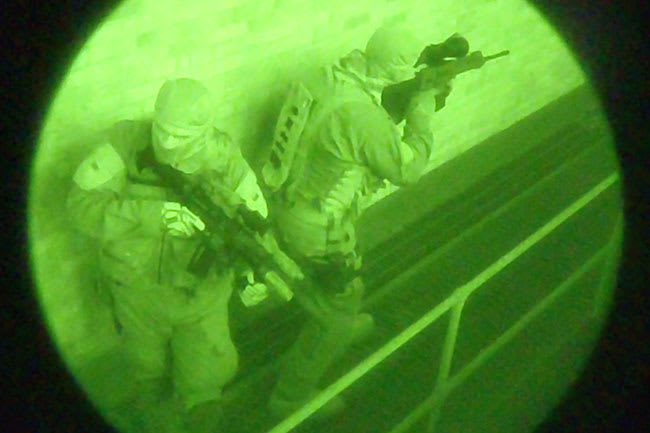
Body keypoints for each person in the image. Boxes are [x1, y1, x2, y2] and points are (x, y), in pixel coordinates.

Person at [262, 23, 481, 420]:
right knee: (342, 300)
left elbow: (352, 131)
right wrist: (421, 112)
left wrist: (405, 96)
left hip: (285, 199)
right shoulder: (364, 118)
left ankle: (332, 330)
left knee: (326, 288)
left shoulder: (330, 77)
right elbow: (407, 170)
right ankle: (291, 394)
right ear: (398, 67)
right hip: (316, 225)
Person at [67, 78, 269, 433]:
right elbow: (80, 209)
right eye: (162, 130)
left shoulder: (223, 157)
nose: (167, 142)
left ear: (204, 131)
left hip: (200, 298)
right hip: (137, 294)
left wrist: (250, 274)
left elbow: (254, 225)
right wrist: (150, 216)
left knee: (206, 382)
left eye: (181, 136)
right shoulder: (126, 145)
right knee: (149, 378)